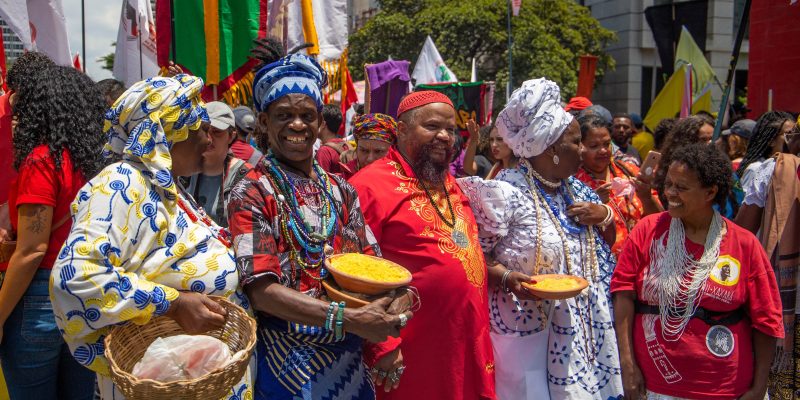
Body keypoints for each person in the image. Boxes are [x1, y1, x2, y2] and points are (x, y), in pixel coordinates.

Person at [49, 74, 253, 399]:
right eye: (200, 129)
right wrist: (174, 303)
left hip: (194, 376)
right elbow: (77, 278)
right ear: (168, 134)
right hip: (163, 384)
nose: (209, 141)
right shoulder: (121, 186)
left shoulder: (165, 186)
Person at [227, 53, 407, 400]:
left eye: (307, 116)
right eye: (284, 116)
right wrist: (348, 319)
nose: (297, 125)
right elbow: (261, 292)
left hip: (350, 363)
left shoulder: (341, 189)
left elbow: (374, 265)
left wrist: (398, 299)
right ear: (263, 122)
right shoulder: (251, 190)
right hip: (287, 363)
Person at [458, 78, 620, 400]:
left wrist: (605, 215)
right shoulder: (504, 193)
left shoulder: (576, 189)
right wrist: (505, 277)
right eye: (577, 142)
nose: (585, 150)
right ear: (552, 149)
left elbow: (606, 244)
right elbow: (470, 255)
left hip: (584, 329)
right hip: (526, 331)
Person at [350, 91, 496, 399]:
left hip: (464, 347)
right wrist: (383, 345)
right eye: (431, 126)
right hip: (411, 355)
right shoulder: (368, 186)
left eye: (451, 129)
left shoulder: (448, 182)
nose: (444, 136)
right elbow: (350, 272)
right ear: (401, 130)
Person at [612, 143, 783, 400]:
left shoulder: (743, 244)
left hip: (725, 389)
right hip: (655, 385)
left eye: (681, 187)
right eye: (668, 183)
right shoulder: (649, 230)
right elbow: (623, 294)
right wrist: (627, 365)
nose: (669, 193)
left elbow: (767, 320)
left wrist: (759, 388)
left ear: (710, 192)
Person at [0, 64, 105, 399]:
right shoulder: (92, 163)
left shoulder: (42, 161)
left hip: (38, 301)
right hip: (86, 295)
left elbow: (32, 250)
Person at [733, 111, 800, 399]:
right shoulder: (770, 172)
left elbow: (739, 235)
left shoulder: (773, 171)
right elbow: (742, 237)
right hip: (779, 300)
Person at [575, 114, 661, 256]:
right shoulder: (573, 182)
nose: (603, 150)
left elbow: (660, 219)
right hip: (601, 267)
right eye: (594, 146)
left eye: (606, 144)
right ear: (580, 147)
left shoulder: (630, 171)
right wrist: (594, 202)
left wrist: (646, 197)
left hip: (642, 260)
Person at [184, 101, 252, 227]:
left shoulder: (246, 176)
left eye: (217, 132)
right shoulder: (184, 173)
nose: (209, 138)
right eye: (204, 130)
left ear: (231, 136)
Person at [340, 113, 397, 179]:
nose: (370, 159)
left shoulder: (404, 184)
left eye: (378, 151)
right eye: (364, 150)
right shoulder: (342, 181)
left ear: (393, 149)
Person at [315, 104, 349, 175]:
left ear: (323, 124)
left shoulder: (324, 151)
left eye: (316, 121)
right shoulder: (346, 145)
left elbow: (322, 182)